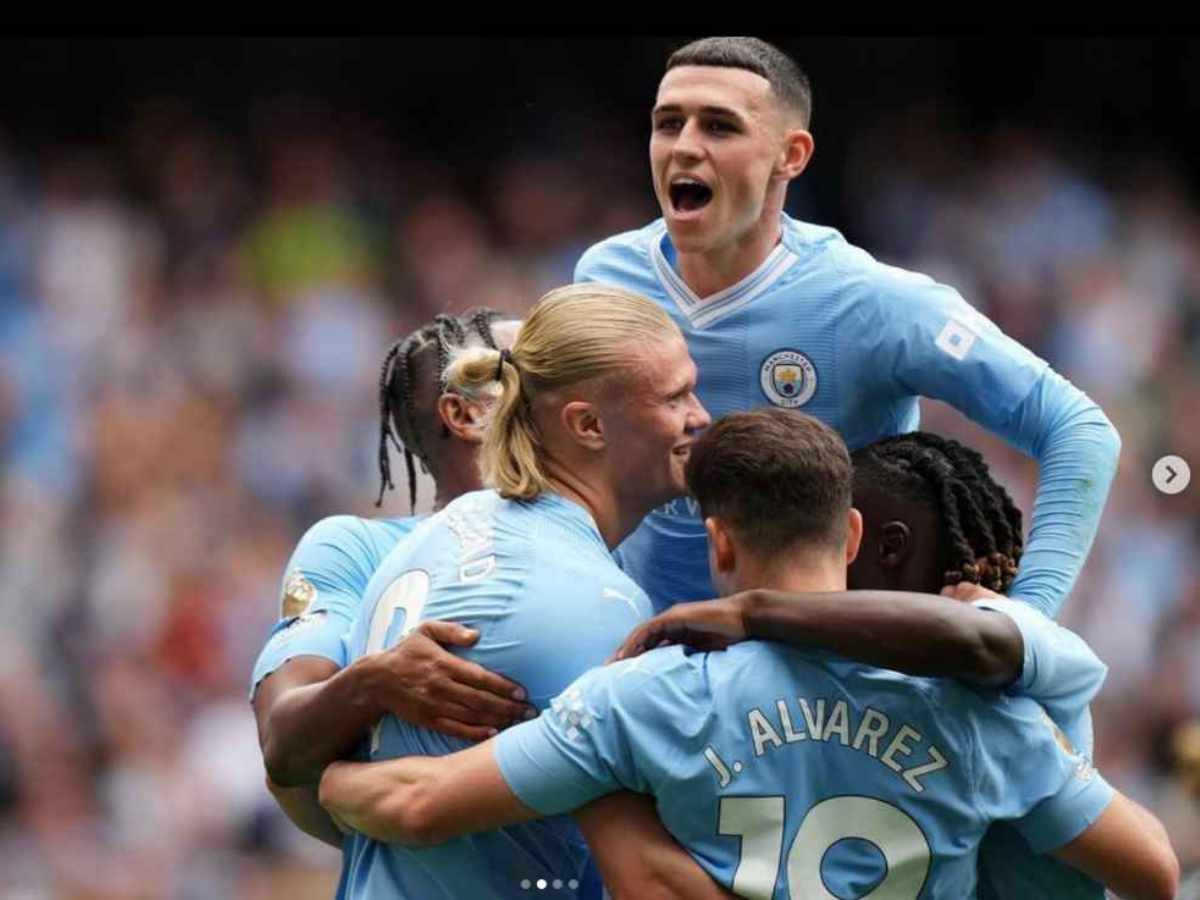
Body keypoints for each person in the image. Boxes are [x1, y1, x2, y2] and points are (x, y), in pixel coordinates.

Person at [318, 410, 1178, 900]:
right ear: (847, 534)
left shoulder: (639, 698)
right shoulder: (980, 711)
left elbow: (418, 806)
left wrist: (323, 775)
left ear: (716, 541)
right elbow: (1152, 871)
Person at [574, 35, 1120, 619]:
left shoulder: (869, 303)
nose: (684, 147)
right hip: (646, 662)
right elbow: (549, 464)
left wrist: (1029, 614)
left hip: (824, 678)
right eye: (668, 123)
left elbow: (1080, 430)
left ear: (792, 155)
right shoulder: (604, 278)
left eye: (719, 127)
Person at [333, 283, 724, 899]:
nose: (699, 416)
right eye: (675, 397)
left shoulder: (432, 536)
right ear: (588, 425)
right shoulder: (592, 605)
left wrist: (332, 782)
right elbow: (647, 881)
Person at [614, 431, 1113, 899]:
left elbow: (977, 644)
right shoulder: (885, 690)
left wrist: (750, 611)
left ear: (885, 546)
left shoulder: (1002, 630)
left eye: (836, 548)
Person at [250, 310, 533, 847]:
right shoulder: (356, 550)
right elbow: (281, 740)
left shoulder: (611, 536)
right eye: (533, 371)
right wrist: (375, 681)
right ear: (468, 414)